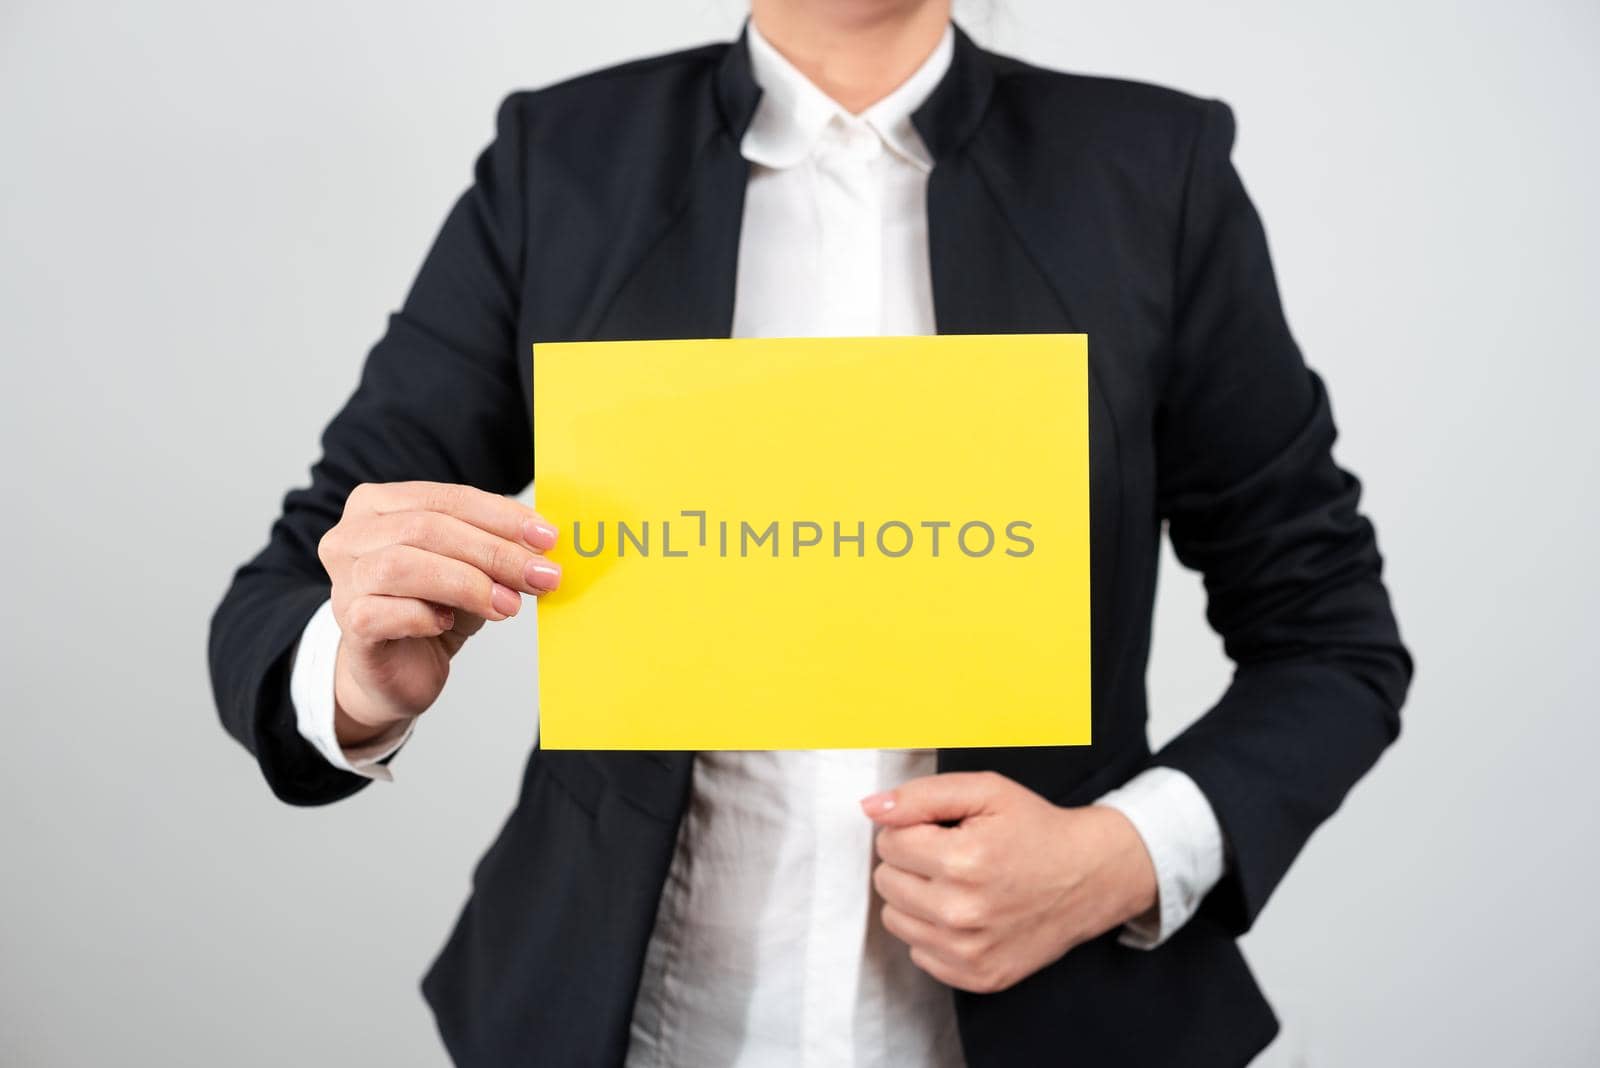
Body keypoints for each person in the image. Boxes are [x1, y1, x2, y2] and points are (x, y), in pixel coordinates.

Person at [208, 1, 1411, 1064]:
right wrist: (357, 664)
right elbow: (296, 579)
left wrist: (1121, 857)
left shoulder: (1151, 168)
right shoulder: (559, 161)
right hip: (624, 1022)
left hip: (1057, 1017)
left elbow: (1328, 637)